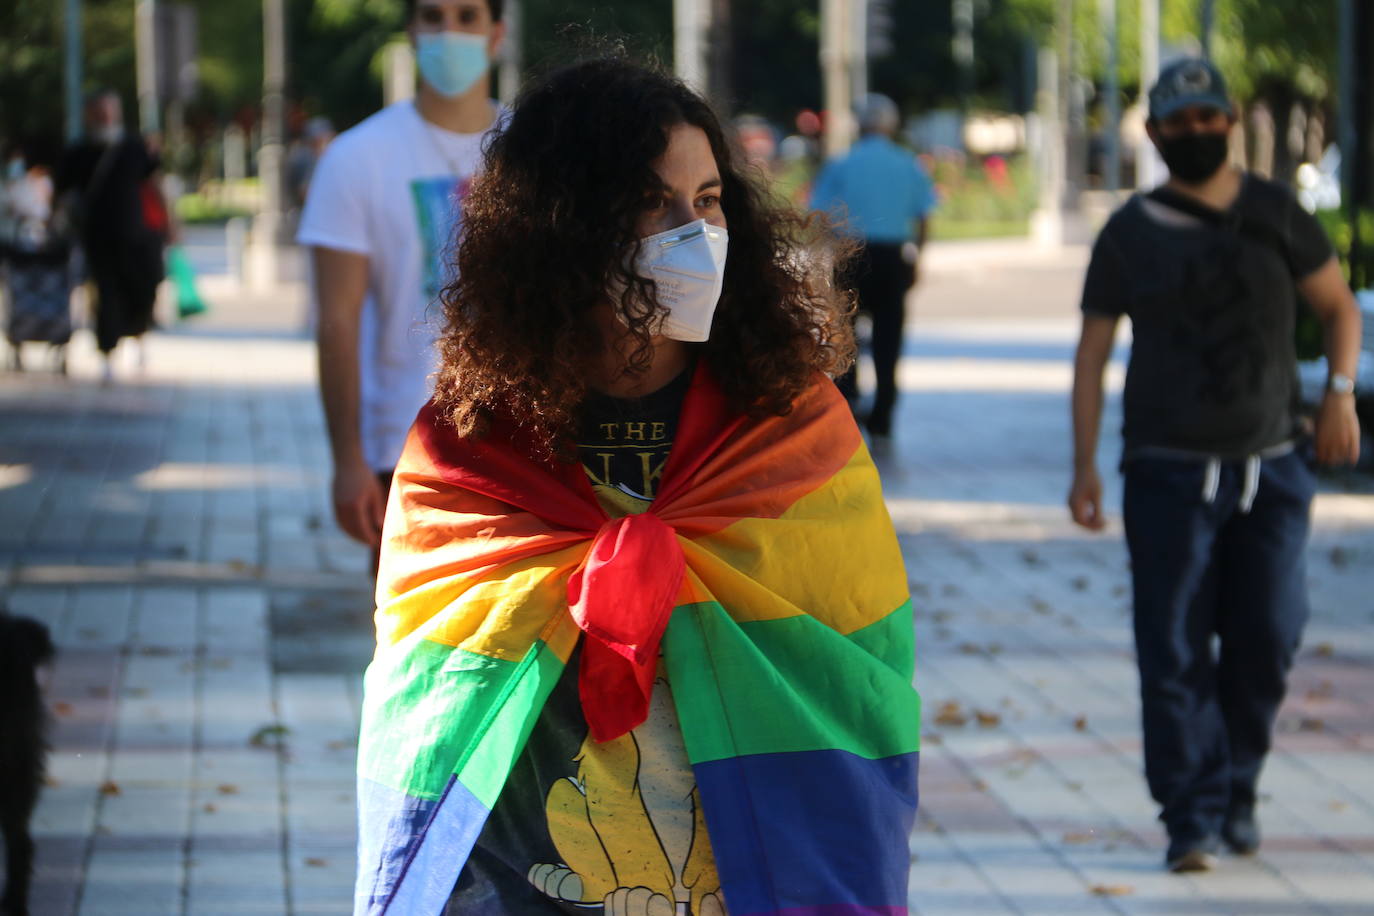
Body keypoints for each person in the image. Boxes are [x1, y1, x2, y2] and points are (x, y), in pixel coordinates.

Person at [352, 56, 923, 916]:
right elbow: (432, 690)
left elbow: (850, 667)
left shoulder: (792, 425)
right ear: (565, 225)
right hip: (524, 884)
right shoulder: (470, 444)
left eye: (706, 200)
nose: (691, 231)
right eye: (651, 202)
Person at [1068, 58, 1362, 874]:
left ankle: (1239, 783)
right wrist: (1084, 464)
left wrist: (1339, 392)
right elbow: (1092, 354)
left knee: (1269, 635)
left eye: (1207, 117)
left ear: (1229, 122)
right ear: (1156, 134)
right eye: (1178, 121)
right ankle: (1189, 816)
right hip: (1165, 470)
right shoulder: (1128, 230)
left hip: (1272, 467)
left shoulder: (1277, 213)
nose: (1195, 131)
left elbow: (1337, 308)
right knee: (1172, 648)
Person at [297, 0, 506, 554]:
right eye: (433, 17)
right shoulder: (356, 157)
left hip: (527, 446)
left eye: (467, 16)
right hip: (407, 448)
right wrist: (348, 459)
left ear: (496, 33)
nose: (449, 32)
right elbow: (336, 320)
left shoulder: (536, 148)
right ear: (411, 31)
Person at [810, 93, 936, 443]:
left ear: (860, 124)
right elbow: (924, 217)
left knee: (845, 337)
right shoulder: (909, 164)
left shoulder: (842, 164)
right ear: (892, 125)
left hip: (851, 255)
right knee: (889, 337)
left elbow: (821, 216)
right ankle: (883, 413)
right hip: (892, 257)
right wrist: (918, 257)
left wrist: (827, 258)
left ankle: (847, 406)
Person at [54, 90, 165, 382]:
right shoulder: (79, 150)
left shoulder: (133, 146)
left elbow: (152, 180)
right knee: (106, 293)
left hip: (135, 232)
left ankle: (139, 336)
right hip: (97, 234)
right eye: (99, 111)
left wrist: (169, 224)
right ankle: (107, 352)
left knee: (141, 285)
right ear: (90, 114)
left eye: (109, 110)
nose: (105, 116)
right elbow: (62, 188)